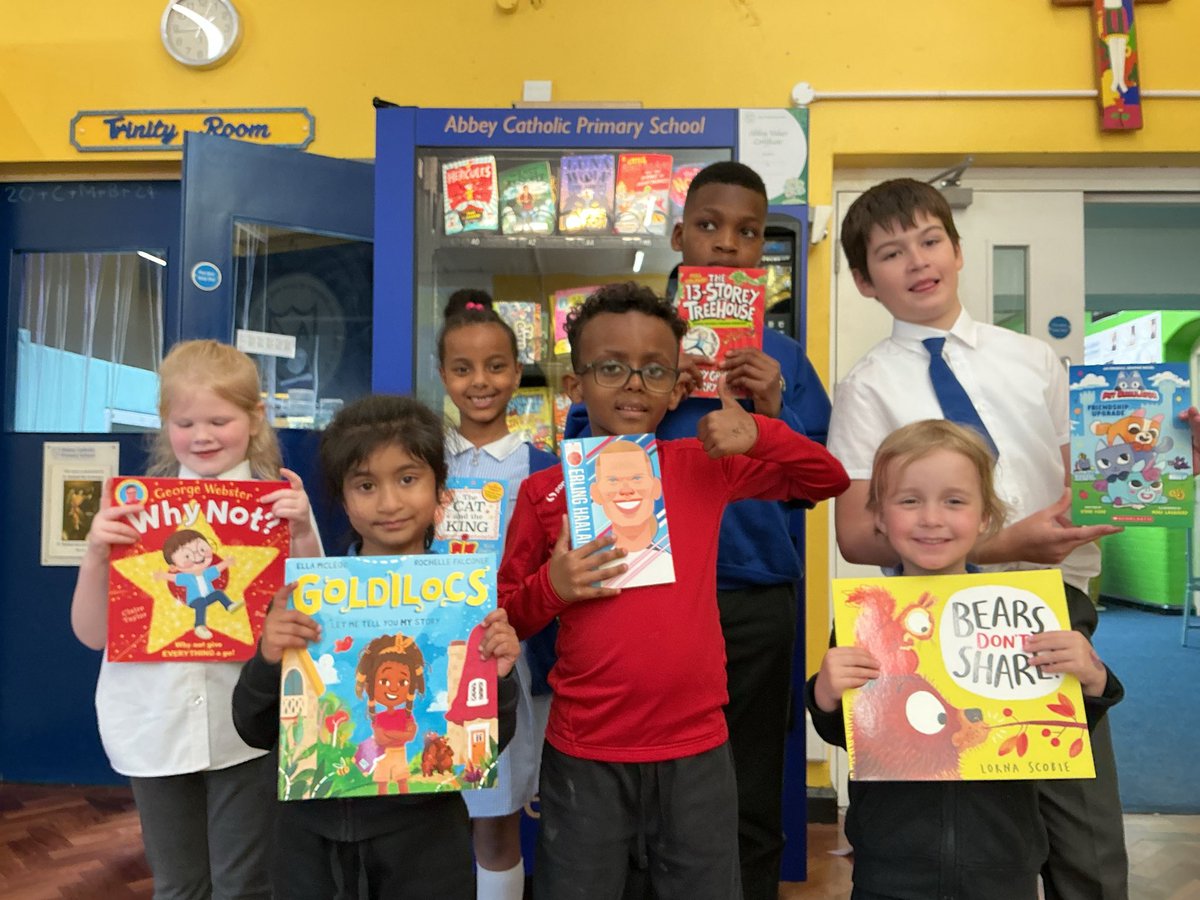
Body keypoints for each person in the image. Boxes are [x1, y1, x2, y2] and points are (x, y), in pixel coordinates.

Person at [829, 177, 1130, 899]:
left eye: (931, 240)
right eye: (891, 254)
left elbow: (1088, 480)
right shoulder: (865, 387)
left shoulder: (1034, 360)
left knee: (1085, 839)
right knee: (956, 815)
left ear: (958, 251)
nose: (918, 261)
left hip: (1052, 609)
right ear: (866, 282)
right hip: (930, 617)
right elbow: (857, 536)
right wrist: (1000, 543)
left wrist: (1157, 463)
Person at [499, 282, 849, 899]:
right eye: (611, 367)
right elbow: (506, 619)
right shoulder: (544, 493)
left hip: (697, 750)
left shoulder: (699, 465)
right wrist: (553, 588)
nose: (634, 385)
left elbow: (828, 479)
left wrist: (762, 432)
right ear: (576, 386)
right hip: (586, 752)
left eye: (654, 370)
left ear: (675, 387)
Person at [563, 160, 833, 897]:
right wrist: (651, 392)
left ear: (763, 249)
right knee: (647, 785)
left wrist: (775, 412)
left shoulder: (780, 357)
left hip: (753, 592)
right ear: (679, 234)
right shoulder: (643, 344)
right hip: (644, 587)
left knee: (748, 781)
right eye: (709, 226)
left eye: (747, 232)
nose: (726, 243)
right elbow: (581, 455)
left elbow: (816, 478)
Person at [807, 418, 1125, 899]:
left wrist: (1093, 679)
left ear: (985, 518)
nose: (931, 518)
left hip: (1003, 864)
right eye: (909, 501)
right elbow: (852, 735)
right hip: (889, 866)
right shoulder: (869, 619)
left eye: (954, 501)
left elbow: (1064, 729)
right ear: (879, 517)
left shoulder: (1028, 616)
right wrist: (824, 694)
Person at [232, 394, 521, 899]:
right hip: (310, 843)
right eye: (366, 485)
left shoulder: (463, 605)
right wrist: (268, 660)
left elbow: (487, 742)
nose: (388, 503)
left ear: (441, 492)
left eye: (407, 479)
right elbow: (253, 728)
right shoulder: (309, 602)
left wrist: (501, 676)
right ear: (343, 499)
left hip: (427, 841)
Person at [69, 339, 323, 899]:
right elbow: (91, 633)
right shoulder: (134, 514)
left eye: (219, 420)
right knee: (179, 885)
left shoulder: (278, 509)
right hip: (153, 724)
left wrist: (303, 533)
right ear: (166, 424)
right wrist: (95, 554)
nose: (202, 435)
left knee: (243, 885)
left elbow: (317, 616)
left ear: (255, 418)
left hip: (248, 730)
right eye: (185, 423)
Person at [437, 289, 559, 900]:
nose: (480, 382)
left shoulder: (546, 469)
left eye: (495, 367)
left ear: (516, 372)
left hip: (512, 666)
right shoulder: (421, 463)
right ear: (443, 376)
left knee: (496, 819)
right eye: (462, 368)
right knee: (430, 820)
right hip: (431, 660)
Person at [155, 529, 241, 640]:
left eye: (201, 549)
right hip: (194, 600)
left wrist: (227, 562)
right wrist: (163, 575)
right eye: (187, 556)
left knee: (218, 593)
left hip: (208, 596)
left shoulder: (206, 573)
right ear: (174, 567)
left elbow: (217, 568)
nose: (197, 556)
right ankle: (199, 626)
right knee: (200, 603)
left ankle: (229, 606)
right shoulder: (186, 577)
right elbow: (174, 578)